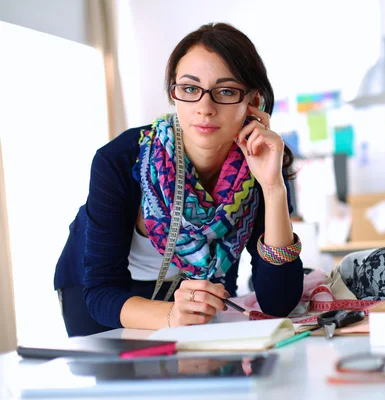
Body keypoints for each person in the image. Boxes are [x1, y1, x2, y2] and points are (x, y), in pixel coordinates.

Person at [54, 22, 304, 337]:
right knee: (121, 382)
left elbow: (278, 302)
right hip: (104, 298)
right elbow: (100, 292)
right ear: (174, 93)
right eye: (189, 88)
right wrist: (171, 314)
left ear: (253, 101)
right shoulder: (120, 160)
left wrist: (272, 187)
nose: (205, 108)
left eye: (225, 91)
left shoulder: (262, 162)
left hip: (191, 296)